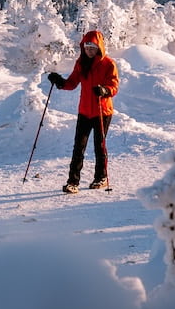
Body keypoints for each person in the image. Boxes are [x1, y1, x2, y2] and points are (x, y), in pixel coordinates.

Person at [47, 29, 120, 193]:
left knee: (99, 146)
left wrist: (105, 90)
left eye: (92, 47)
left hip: (102, 111)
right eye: (86, 47)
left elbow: (114, 86)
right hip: (85, 111)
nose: (89, 50)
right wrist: (59, 81)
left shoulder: (108, 64)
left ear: (99, 47)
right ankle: (73, 182)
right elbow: (72, 83)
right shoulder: (81, 63)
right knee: (78, 147)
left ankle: (100, 178)